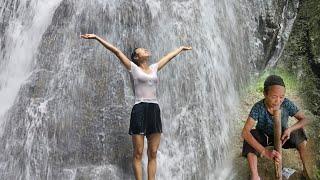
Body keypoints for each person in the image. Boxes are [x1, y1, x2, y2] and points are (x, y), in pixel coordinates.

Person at [80, 33, 192, 180]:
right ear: (136, 57)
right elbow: (116, 52)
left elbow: (169, 57)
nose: (145, 50)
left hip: (154, 109)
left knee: (153, 152)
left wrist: (181, 48)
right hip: (139, 108)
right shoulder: (133, 68)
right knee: (138, 152)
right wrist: (96, 37)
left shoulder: (154, 68)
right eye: (141, 50)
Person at [241, 75, 310, 180]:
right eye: (274, 96)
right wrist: (264, 151)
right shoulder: (258, 107)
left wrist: (290, 129)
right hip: (265, 138)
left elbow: (305, 119)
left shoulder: (286, 104)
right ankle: (255, 176)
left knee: (299, 133)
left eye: (281, 97)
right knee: (252, 135)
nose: (278, 101)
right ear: (265, 94)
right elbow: (245, 132)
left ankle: (306, 170)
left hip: (283, 137)